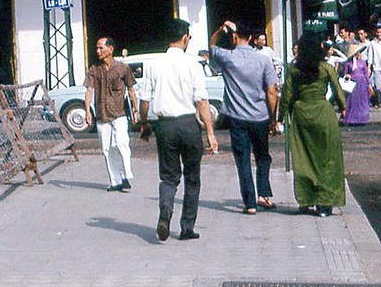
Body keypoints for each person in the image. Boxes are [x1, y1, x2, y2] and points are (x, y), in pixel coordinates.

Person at [137, 19, 218, 242]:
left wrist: (144, 123)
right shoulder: (194, 64)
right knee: (193, 177)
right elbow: (201, 100)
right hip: (189, 126)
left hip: (165, 127)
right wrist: (210, 133)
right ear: (184, 38)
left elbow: (145, 99)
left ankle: (165, 211)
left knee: (168, 177)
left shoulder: (153, 64)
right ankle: (187, 227)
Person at [209, 21, 279, 214]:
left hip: (237, 117)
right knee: (263, 157)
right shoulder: (263, 60)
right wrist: (273, 118)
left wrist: (221, 29)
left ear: (233, 37)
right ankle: (263, 195)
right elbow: (272, 91)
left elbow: (212, 44)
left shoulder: (227, 58)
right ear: (252, 39)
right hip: (260, 116)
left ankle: (249, 204)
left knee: (243, 159)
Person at [280, 32, 346, 217]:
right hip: (323, 113)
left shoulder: (294, 70)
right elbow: (338, 90)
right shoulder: (326, 68)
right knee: (328, 159)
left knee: (303, 158)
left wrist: (279, 117)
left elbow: (286, 95)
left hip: (301, 113)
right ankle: (325, 203)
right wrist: (343, 108)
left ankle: (306, 199)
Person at [84, 37, 137, 192]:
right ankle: (115, 181)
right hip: (102, 115)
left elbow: (131, 90)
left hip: (119, 114)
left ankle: (126, 175)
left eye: (101, 48)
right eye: (97, 48)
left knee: (121, 143)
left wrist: (135, 109)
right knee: (106, 149)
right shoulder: (94, 69)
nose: (98, 51)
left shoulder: (123, 68)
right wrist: (87, 111)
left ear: (110, 49)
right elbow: (89, 90)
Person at [341, 44, 371, 126]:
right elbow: (345, 73)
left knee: (362, 102)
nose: (359, 54)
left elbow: (366, 74)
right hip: (353, 84)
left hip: (362, 83)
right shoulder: (348, 63)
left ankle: (362, 119)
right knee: (353, 102)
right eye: (358, 52)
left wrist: (369, 84)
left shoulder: (363, 62)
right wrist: (347, 76)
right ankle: (352, 119)